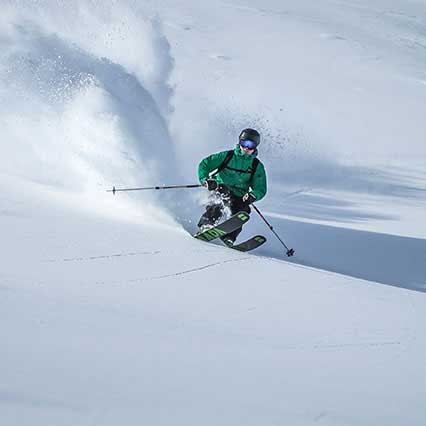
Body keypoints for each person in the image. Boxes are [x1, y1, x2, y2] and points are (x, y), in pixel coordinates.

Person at [197, 128, 267, 245]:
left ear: (255, 147)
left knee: (242, 211)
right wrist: (206, 180)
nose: (246, 148)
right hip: (220, 187)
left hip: (239, 194)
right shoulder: (227, 156)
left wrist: (253, 195)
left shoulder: (256, 166)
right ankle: (206, 225)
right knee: (220, 199)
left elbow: (260, 188)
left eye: (251, 145)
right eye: (244, 143)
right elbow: (205, 164)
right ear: (240, 142)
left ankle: (229, 237)